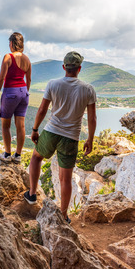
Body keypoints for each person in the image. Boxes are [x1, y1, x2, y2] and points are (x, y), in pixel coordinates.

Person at [24, 51, 96, 222]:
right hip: (71, 137)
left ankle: (32, 194)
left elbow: (42, 110)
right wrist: (90, 140)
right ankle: (63, 216)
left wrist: (35, 129)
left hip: (51, 131)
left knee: (36, 157)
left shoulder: (53, 84)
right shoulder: (88, 89)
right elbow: (92, 118)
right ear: (80, 69)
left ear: (64, 67)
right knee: (65, 178)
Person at [0, 32, 32, 162]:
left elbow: (1, 78)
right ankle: (18, 155)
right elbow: (29, 79)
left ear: (11, 43)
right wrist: (24, 93)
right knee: (20, 125)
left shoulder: (8, 57)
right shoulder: (27, 59)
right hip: (24, 92)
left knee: (6, 125)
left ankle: (7, 154)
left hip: (10, 92)